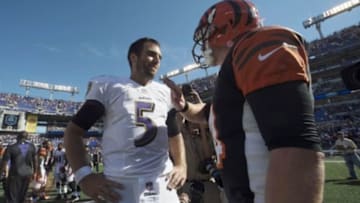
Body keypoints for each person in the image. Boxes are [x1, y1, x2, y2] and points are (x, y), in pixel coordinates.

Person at [164, 1, 324, 203]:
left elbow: (296, 147)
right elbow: (208, 113)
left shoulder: (258, 44)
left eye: (207, 34)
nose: (205, 43)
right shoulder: (235, 68)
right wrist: (183, 106)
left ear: (228, 26)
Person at [64, 37, 187, 203]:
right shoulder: (110, 86)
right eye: (151, 54)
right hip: (119, 186)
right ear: (133, 57)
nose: (157, 60)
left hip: (163, 182)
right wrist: (84, 176)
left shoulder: (165, 92)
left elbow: (174, 133)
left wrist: (181, 165)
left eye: (159, 57)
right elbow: (73, 132)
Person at [176, 84, 225, 203]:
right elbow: (178, 124)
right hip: (187, 188)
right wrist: (181, 104)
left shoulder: (208, 137)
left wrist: (199, 104)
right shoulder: (182, 136)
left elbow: (208, 155)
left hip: (209, 188)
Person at [0, 131, 38, 203]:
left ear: (17, 137)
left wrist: (1, 173)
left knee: (13, 196)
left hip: (15, 173)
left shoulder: (11, 147)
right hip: (28, 172)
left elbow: (4, 163)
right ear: (27, 137)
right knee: (22, 195)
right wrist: (35, 172)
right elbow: (35, 161)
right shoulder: (32, 147)